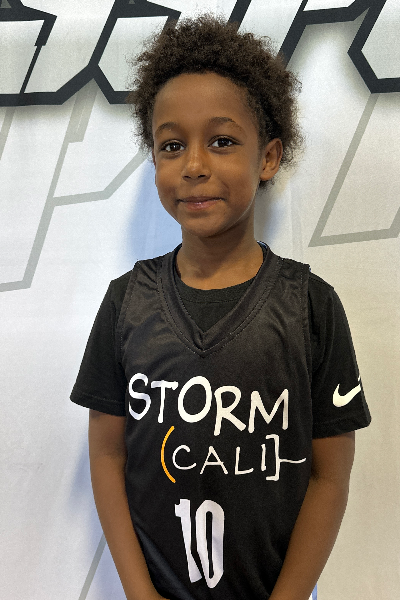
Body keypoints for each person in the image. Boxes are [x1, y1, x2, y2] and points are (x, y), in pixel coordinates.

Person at [70, 14, 371, 600]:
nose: (194, 165)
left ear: (268, 157)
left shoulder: (311, 306)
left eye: (223, 141)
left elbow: (331, 475)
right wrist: (140, 594)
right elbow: (106, 453)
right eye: (172, 145)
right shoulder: (126, 303)